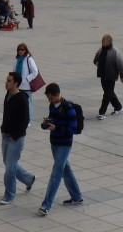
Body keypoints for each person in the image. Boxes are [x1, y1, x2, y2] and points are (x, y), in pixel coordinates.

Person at [38, 82, 83, 215]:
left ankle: (46, 205)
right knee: (65, 169)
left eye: (51, 98)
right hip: (54, 142)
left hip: (64, 144)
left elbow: (73, 129)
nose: (50, 100)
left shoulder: (68, 108)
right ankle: (77, 196)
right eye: (48, 98)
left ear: (57, 95)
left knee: (56, 174)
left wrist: (57, 128)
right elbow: (53, 120)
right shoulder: (52, 106)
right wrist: (45, 124)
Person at [0, 70, 36, 205]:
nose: (6, 82)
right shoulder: (8, 94)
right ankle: (29, 179)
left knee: (9, 168)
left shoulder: (21, 99)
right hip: (5, 135)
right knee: (10, 164)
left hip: (16, 138)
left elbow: (25, 120)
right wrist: (3, 129)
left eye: (9, 81)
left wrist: (15, 135)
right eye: (7, 80)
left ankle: (9, 195)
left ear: (16, 84)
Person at [93, 34, 123, 120]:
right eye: (102, 40)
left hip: (111, 75)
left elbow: (121, 64)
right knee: (109, 93)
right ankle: (118, 107)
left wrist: (122, 75)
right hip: (103, 75)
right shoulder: (101, 50)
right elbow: (95, 60)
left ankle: (102, 113)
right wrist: (99, 65)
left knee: (107, 94)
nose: (102, 42)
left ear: (109, 42)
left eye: (104, 41)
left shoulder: (115, 51)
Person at [14, 42, 41, 120]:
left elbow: (35, 71)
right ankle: (20, 118)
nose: (20, 51)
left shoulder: (29, 59)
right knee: (19, 103)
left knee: (28, 104)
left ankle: (29, 120)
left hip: (26, 86)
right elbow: (14, 71)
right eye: (18, 50)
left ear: (26, 50)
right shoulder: (17, 60)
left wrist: (27, 78)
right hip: (18, 86)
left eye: (22, 49)